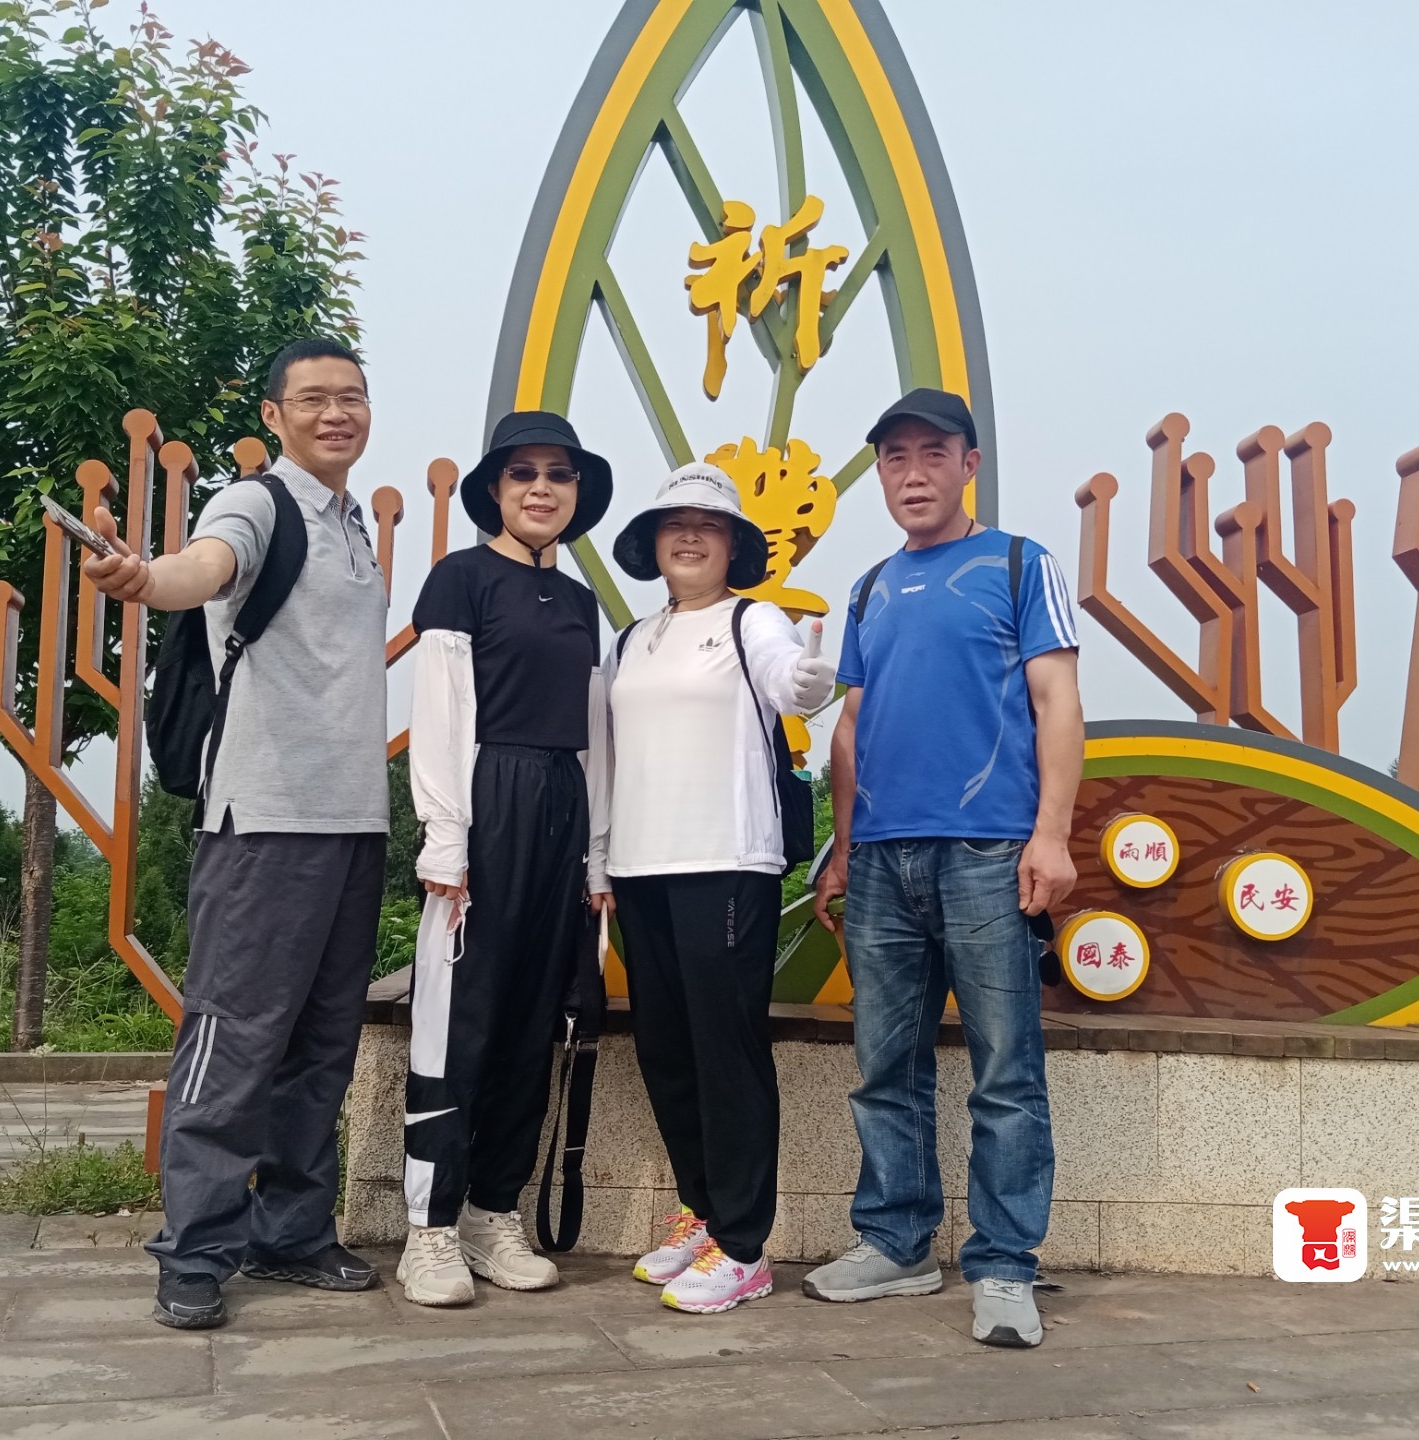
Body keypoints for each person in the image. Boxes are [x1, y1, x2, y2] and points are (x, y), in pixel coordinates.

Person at [83, 337, 389, 1330]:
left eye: (352, 396)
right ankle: (195, 1249)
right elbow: (202, 569)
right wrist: (142, 577)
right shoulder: (256, 503)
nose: (336, 413)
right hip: (264, 821)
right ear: (274, 415)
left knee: (322, 1047)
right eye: (314, 398)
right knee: (234, 1038)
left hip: (354, 823)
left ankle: (293, 1232)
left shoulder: (352, 524)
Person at [806, 388, 1084, 1348]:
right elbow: (851, 727)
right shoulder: (870, 588)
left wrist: (1052, 836)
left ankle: (1005, 1264)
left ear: (970, 464)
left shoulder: (1018, 564)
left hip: (988, 853)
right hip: (881, 861)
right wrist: (841, 851)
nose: (913, 473)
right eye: (896, 458)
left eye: (934, 453)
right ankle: (896, 1243)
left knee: (1006, 1070)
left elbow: (1057, 702)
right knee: (885, 1066)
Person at [591, 464, 836, 1313]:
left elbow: (788, 677)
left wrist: (810, 679)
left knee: (727, 1052)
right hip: (640, 870)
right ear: (653, 543)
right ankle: (701, 1213)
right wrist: (598, 862)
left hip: (726, 864)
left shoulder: (751, 620)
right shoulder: (630, 639)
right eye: (674, 523)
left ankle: (743, 1246)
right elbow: (605, 758)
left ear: (734, 545)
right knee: (666, 1051)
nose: (690, 535)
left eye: (709, 524)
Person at [399, 411, 613, 1307]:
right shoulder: (460, 579)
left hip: (563, 810)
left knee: (533, 1022)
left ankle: (493, 1212)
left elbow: (595, 734)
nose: (541, 488)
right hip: (488, 805)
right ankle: (431, 1229)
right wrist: (447, 836)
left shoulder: (582, 603)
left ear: (576, 492)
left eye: (559, 474)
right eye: (523, 472)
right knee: (463, 1020)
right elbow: (443, 711)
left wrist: (596, 857)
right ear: (495, 488)